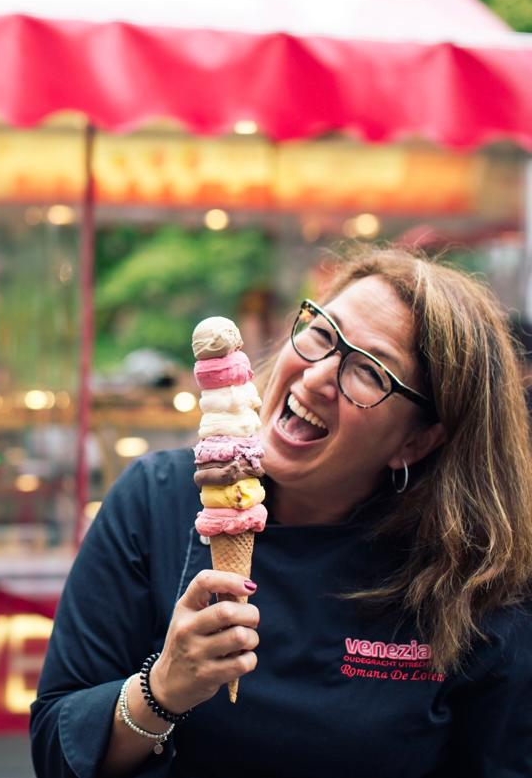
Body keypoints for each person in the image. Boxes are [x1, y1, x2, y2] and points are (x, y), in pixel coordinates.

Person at [31, 247, 532, 778]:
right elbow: (56, 752)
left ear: (418, 441)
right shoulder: (156, 500)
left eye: (369, 371)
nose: (317, 375)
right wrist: (161, 691)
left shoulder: (480, 579)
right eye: (322, 334)